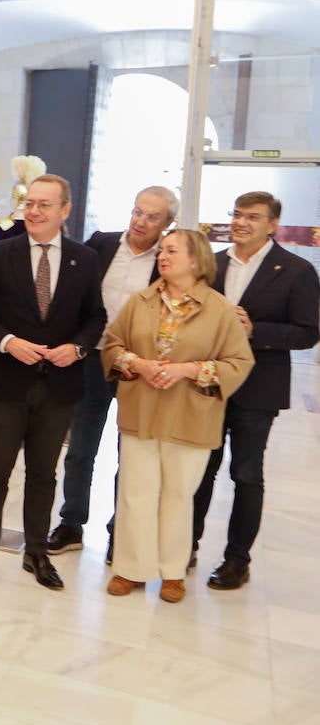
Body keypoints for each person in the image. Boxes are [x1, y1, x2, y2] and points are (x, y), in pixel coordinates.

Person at [0, 174, 106, 590]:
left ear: (65, 211)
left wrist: (76, 349)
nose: (35, 211)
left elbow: (96, 316)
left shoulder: (84, 259)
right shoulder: (2, 253)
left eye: (45, 204)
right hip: (8, 382)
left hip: (59, 386)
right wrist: (7, 342)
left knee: (43, 474)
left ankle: (37, 552)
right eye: (30, 203)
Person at [100, 229, 254, 603]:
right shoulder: (141, 300)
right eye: (162, 251)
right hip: (141, 411)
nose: (163, 256)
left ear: (196, 260)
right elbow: (112, 345)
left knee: (179, 495)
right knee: (135, 492)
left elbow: (238, 362)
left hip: (191, 415)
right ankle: (130, 568)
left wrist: (188, 370)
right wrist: (137, 363)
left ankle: (172, 572)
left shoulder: (219, 308)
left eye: (172, 250)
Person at [192, 191, 320, 590]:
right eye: (237, 214)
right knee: (200, 470)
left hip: (258, 387)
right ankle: (186, 545)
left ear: (272, 225)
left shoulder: (296, 270)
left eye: (252, 217)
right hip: (208, 384)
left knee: (246, 474)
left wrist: (254, 331)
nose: (241, 222)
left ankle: (236, 560)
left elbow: (308, 333)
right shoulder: (211, 264)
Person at [47, 186, 176, 557]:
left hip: (139, 367)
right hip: (92, 360)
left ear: (167, 224)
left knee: (132, 453)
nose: (140, 221)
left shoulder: (167, 259)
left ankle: (121, 530)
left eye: (152, 217)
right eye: (137, 212)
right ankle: (71, 523)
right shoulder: (100, 245)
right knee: (79, 448)